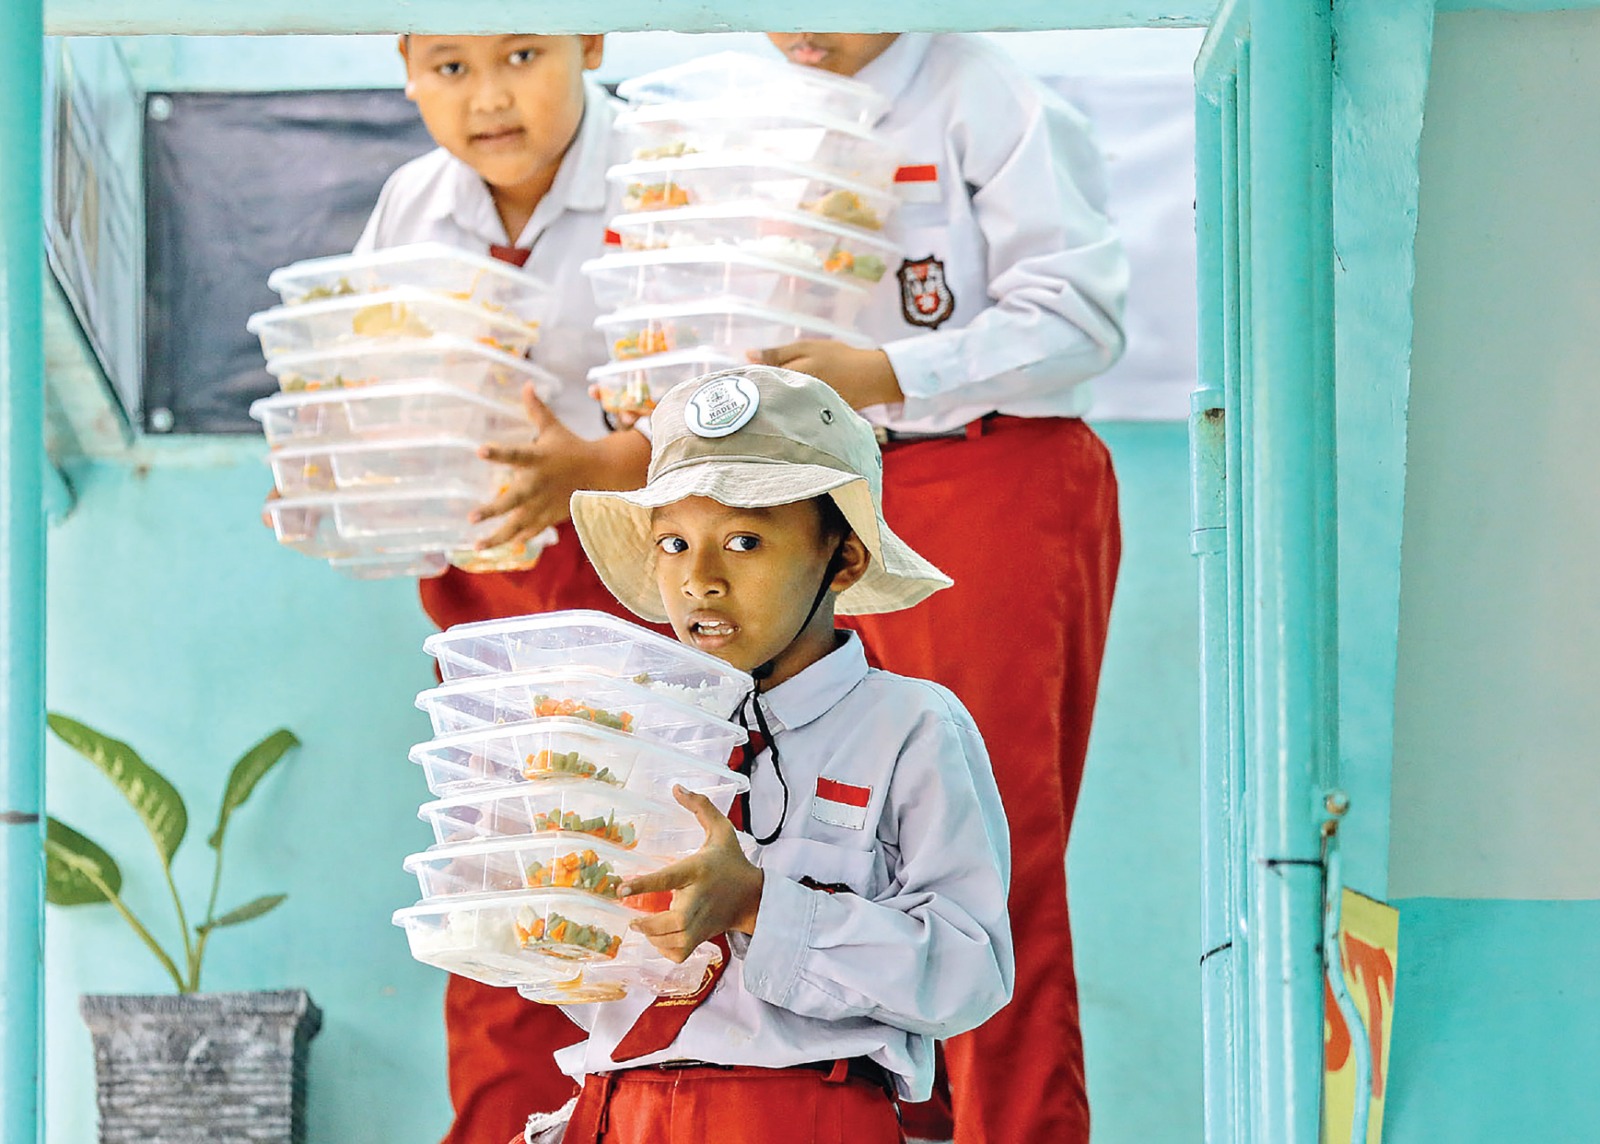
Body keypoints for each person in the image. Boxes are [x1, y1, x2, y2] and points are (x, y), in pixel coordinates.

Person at [755, 32, 1128, 1144]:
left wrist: (890, 370)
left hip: (983, 462)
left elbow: (1079, 320)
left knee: (985, 854)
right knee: (818, 846)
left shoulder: (987, 94)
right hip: (810, 488)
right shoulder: (742, 112)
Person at [504, 364, 1013, 1144]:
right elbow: (592, 981)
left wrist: (757, 906)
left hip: (805, 1116)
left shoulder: (910, 726)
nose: (700, 580)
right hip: (618, 1112)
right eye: (674, 543)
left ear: (842, 561)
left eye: (745, 541)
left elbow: (969, 973)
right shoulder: (635, 734)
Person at [356, 33, 663, 1144]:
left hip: (654, 609)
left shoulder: (658, 171)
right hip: (486, 626)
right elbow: (373, 400)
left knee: (649, 932)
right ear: (403, 66)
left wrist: (592, 467)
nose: (486, 97)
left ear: (589, 39)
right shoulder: (410, 205)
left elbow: (744, 412)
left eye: (521, 53)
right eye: (446, 65)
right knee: (497, 937)